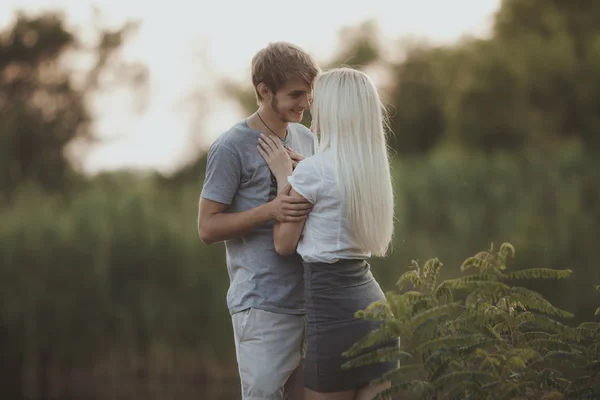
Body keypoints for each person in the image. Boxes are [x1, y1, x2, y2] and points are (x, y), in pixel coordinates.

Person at [257, 67, 398, 400]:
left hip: (336, 319)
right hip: (377, 312)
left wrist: (283, 177)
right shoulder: (368, 170)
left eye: (316, 101)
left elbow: (283, 244)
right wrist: (302, 172)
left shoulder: (313, 171)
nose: (310, 108)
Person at [197, 42, 321, 400]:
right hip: (262, 303)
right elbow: (207, 228)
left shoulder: (305, 138)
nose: (305, 102)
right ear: (264, 91)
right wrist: (270, 211)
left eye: (309, 93)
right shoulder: (231, 147)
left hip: (309, 300)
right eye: (296, 94)